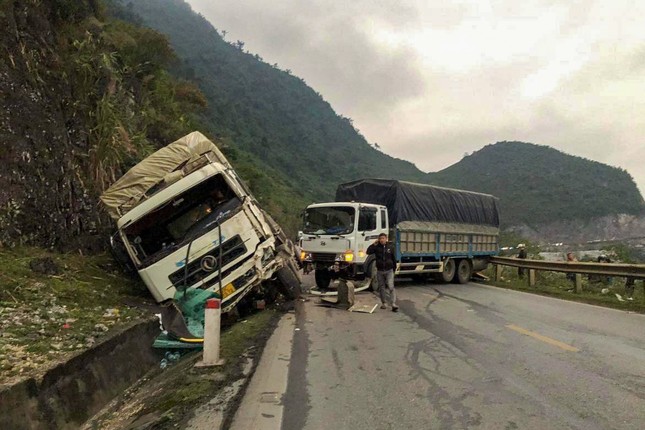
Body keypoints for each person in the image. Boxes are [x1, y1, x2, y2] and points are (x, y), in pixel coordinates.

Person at [366, 233, 398, 312]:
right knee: (382, 287)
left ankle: (393, 303)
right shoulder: (376, 247)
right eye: (380, 238)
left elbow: (393, 258)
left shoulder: (390, 247)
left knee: (391, 286)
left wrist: (394, 268)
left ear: (386, 239)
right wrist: (373, 244)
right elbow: (368, 252)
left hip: (389, 270)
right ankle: (384, 303)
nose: (382, 240)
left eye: (383, 238)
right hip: (380, 271)